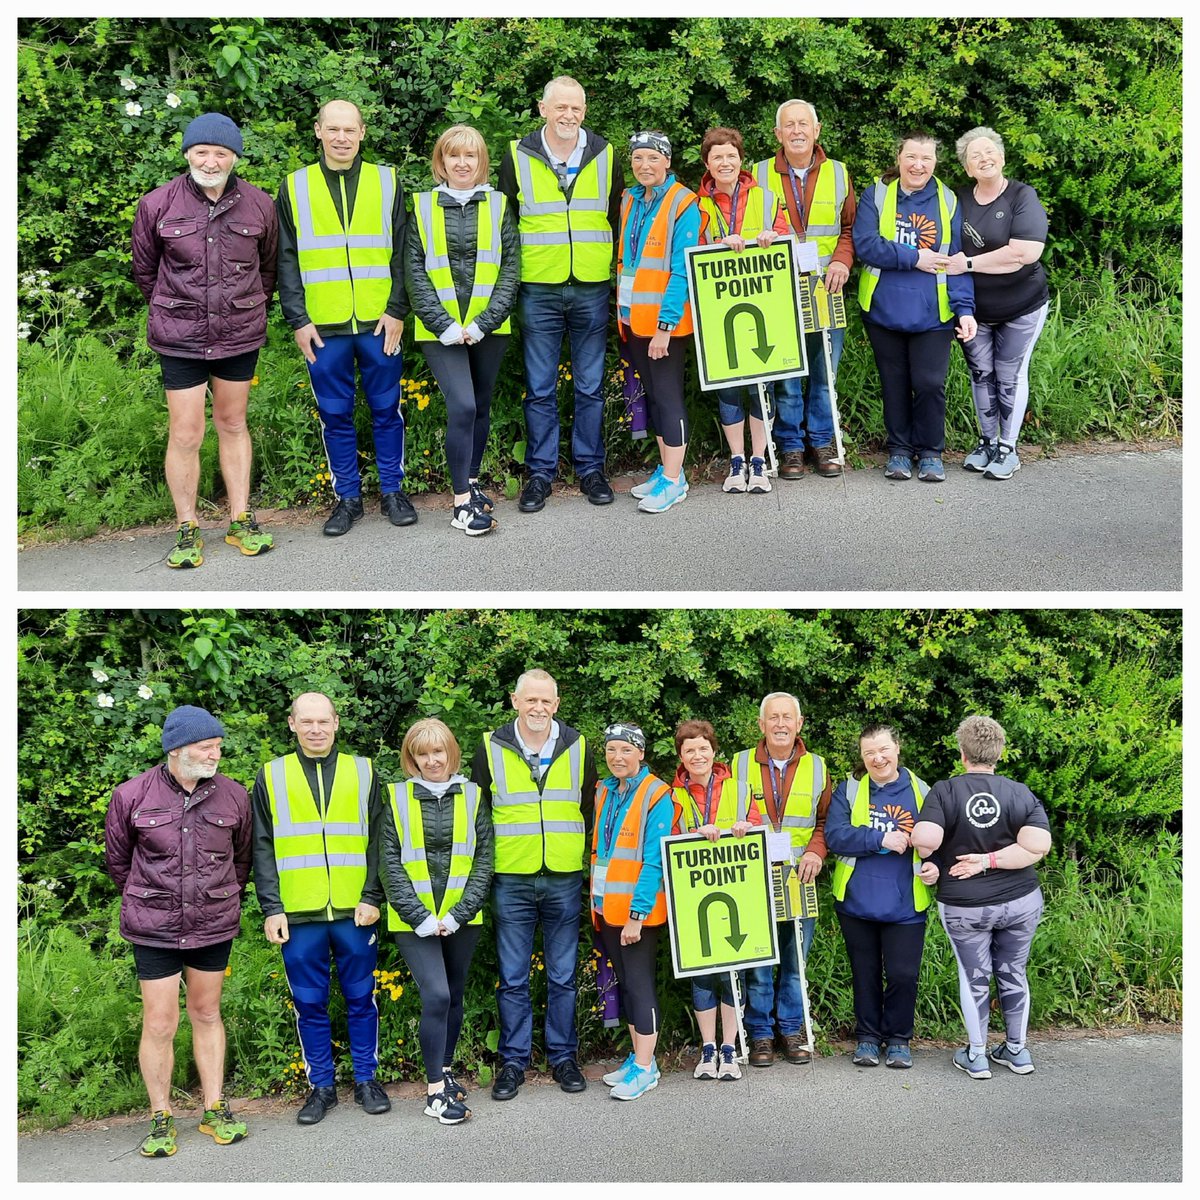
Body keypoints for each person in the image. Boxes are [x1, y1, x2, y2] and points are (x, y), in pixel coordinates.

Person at [103, 705, 252, 1157]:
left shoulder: (234, 796)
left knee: (207, 1013)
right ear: (176, 749)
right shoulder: (131, 795)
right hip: (154, 928)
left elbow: (241, 860)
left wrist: (217, 896)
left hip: (212, 924)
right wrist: (152, 899)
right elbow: (119, 863)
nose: (215, 754)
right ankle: (161, 1116)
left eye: (218, 746)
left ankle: (214, 1109)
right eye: (206, 747)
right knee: (160, 1022)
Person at [131, 113, 278, 569]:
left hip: (239, 333)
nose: (210, 162)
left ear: (234, 157)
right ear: (187, 154)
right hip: (180, 337)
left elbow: (268, 269)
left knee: (233, 423)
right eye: (201, 152)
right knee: (186, 432)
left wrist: (244, 307)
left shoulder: (260, 205)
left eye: (221, 153)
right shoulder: (156, 204)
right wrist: (176, 308)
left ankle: (240, 520)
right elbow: (145, 272)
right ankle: (187, 526)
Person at [251, 692, 390, 1124]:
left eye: (323, 721)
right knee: (309, 1003)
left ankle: (366, 1080)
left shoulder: (363, 770)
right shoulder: (271, 775)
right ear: (291, 724)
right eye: (306, 722)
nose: (315, 730)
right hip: (298, 914)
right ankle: (322, 1088)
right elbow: (261, 846)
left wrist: (373, 896)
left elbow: (381, 839)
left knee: (361, 998)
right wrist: (272, 907)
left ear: (336, 723)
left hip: (355, 911)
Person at [277, 100, 415, 536]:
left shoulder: (387, 180)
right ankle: (348, 499)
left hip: (379, 322)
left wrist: (397, 309)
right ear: (318, 131)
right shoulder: (295, 186)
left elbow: (404, 250)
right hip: (323, 326)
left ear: (362, 133)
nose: (341, 138)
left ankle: (392, 491)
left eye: (349, 130)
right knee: (334, 414)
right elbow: (285, 258)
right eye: (333, 129)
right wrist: (298, 319)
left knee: (386, 409)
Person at [469, 669, 598, 1103]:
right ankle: (513, 1061)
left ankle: (563, 1057)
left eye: (546, 701)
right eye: (530, 700)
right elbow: (479, 813)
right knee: (513, 977)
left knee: (563, 976)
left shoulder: (578, 745)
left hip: (563, 876)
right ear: (515, 701)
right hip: (512, 877)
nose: (538, 708)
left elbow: (586, 807)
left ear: (556, 704)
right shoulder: (490, 746)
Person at [497, 76, 625, 513]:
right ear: (543, 109)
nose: (568, 115)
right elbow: (506, 221)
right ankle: (540, 473)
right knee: (539, 388)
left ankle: (590, 468)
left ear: (584, 112)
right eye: (560, 107)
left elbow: (614, 215)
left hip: (590, 285)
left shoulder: (605, 153)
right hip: (539, 287)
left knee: (591, 386)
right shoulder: (517, 154)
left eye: (576, 108)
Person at [911, 715, 1052, 1080]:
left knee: (973, 976)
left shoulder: (945, 791)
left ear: (962, 753)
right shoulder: (1019, 792)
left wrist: (934, 855)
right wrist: (993, 860)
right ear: (999, 753)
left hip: (965, 905)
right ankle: (1017, 1051)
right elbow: (1038, 846)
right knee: (1013, 970)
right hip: (1020, 900)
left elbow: (926, 841)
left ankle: (976, 1055)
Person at [405, 124, 519, 536]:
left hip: (489, 327)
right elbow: (414, 271)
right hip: (441, 331)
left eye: (470, 155)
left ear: (481, 161)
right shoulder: (421, 206)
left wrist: (483, 324)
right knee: (464, 407)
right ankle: (460, 506)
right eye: (453, 155)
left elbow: (510, 269)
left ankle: (471, 483)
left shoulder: (500, 204)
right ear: (441, 161)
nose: (462, 163)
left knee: (481, 406)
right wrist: (446, 326)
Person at [382, 718, 493, 1124]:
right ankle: (434, 1095)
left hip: (462, 918)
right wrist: (422, 918)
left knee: (455, 995)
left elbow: (484, 860)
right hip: (414, 922)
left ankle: (444, 1071)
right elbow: (389, 862)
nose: (432, 760)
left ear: (451, 753)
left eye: (438, 751)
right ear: (411, 758)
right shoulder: (395, 797)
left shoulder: (474, 795)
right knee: (437, 996)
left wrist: (457, 915)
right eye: (422, 754)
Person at [854, 129, 977, 483]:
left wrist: (965, 309)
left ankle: (931, 453)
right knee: (893, 383)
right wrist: (915, 258)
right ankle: (899, 451)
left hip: (933, 314)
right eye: (911, 156)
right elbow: (866, 245)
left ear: (936, 162)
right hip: (883, 310)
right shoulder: (877, 195)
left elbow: (955, 259)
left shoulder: (948, 200)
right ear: (899, 159)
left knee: (929, 383)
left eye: (926, 158)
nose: (918, 165)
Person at [825, 723, 940, 1070]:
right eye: (869, 753)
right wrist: (880, 839)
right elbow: (835, 836)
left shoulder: (924, 791)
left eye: (883, 749)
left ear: (897, 748)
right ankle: (868, 1038)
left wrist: (935, 866)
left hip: (906, 903)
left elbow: (940, 842)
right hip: (857, 902)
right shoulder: (850, 789)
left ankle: (899, 1040)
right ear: (862, 757)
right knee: (865, 973)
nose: (878, 758)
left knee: (903, 974)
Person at [754, 99, 856, 480]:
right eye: (789, 125)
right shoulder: (758, 173)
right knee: (786, 372)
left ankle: (823, 441)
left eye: (803, 124)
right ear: (778, 134)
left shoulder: (839, 172)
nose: (797, 131)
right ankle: (791, 445)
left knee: (824, 369)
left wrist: (842, 261)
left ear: (817, 130)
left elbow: (850, 228)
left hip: (826, 287)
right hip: (778, 289)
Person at [730, 692, 832, 1066]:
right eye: (773, 717)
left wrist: (816, 852)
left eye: (787, 717)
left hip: (798, 877)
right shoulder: (738, 764)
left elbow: (826, 822)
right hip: (753, 878)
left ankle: (790, 1030)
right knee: (758, 960)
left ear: (799, 723)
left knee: (794, 962)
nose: (780, 724)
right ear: (761, 724)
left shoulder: (818, 767)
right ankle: (759, 1033)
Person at [945, 126, 1050, 481]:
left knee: (1009, 375)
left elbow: (1023, 253)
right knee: (981, 374)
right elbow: (946, 248)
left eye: (989, 151)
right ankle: (987, 442)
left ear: (1002, 158)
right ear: (967, 168)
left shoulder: (1022, 196)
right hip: (975, 310)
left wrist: (968, 263)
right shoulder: (958, 200)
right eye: (975, 156)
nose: (984, 158)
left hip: (1022, 305)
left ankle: (1008, 448)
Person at [697, 127, 789, 495]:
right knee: (728, 388)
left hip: (762, 306)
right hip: (718, 310)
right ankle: (737, 459)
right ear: (707, 164)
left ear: (741, 160)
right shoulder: (696, 203)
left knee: (761, 386)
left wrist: (772, 238)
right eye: (717, 157)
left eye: (731, 156)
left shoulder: (766, 198)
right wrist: (719, 244)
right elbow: (689, 246)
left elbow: (785, 240)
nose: (725, 162)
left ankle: (759, 459)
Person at [671, 719, 761, 1081]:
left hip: (735, 895)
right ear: (680, 756)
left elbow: (758, 831)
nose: (697, 755)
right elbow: (665, 837)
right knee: (702, 975)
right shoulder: (672, 794)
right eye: (689, 750)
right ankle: (707, 1047)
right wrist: (695, 834)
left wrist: (746, 828)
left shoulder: (739, 789)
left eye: (703, 748)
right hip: (692, 899)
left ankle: (729, 1048)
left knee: (732, 973)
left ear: (714, 751)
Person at [592, 723, 678, 1100]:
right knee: (626, 983)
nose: (618, 757)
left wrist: (637, 915)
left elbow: (655, 859)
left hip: (636, 913)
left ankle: (645, 1069)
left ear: (641, 754)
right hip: (607, 907)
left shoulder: (656, 793)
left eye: (626, 750)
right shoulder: (605, 790)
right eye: (612, 750)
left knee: (640, 984)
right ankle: (640, 1058)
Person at [619, 131, 701, 514]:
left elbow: (682, 270)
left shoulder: (683, 202)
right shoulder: (630, 198)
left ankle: (674, 480)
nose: (645, 165)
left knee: (668, 397)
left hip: (664, 325)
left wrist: (664, 328)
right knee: (653, 395)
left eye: (653, 158)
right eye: (638, 158)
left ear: (667, 162)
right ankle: (667, 469)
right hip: (633, 318)